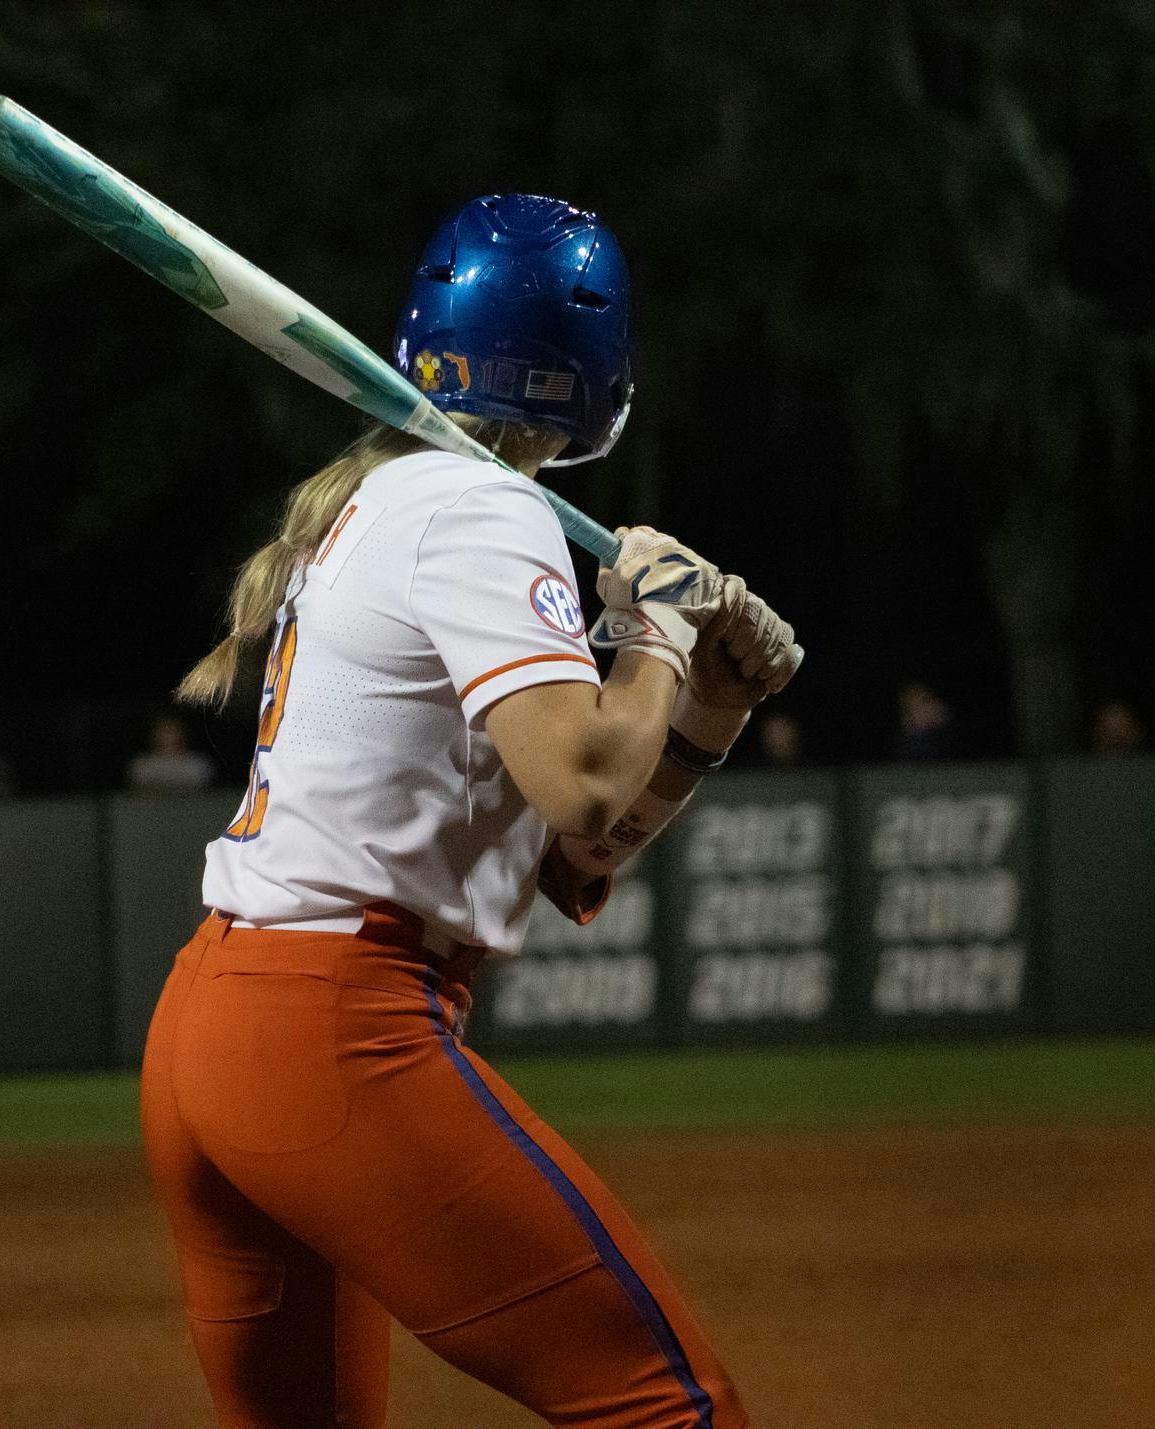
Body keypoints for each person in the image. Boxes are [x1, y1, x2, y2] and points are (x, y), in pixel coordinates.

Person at [142, 194, 800, 1429]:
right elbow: (587, 776)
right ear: (599, 374)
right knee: (669, 1405)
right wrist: (652, 625)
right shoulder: (479, 507)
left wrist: (697, 702)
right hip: (331, 1035)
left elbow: (575, 848)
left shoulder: (381, 501)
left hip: (216, 1033)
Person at [126, 712, 217, 794]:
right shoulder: (142, 766)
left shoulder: (198, 765)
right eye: (163, 732)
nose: (168, 737)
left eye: (172, 731)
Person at [893, 681, 956, 761]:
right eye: (915, 706)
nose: (929, 708)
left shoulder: (950, 737)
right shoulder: (907, 744)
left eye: (927, 700)